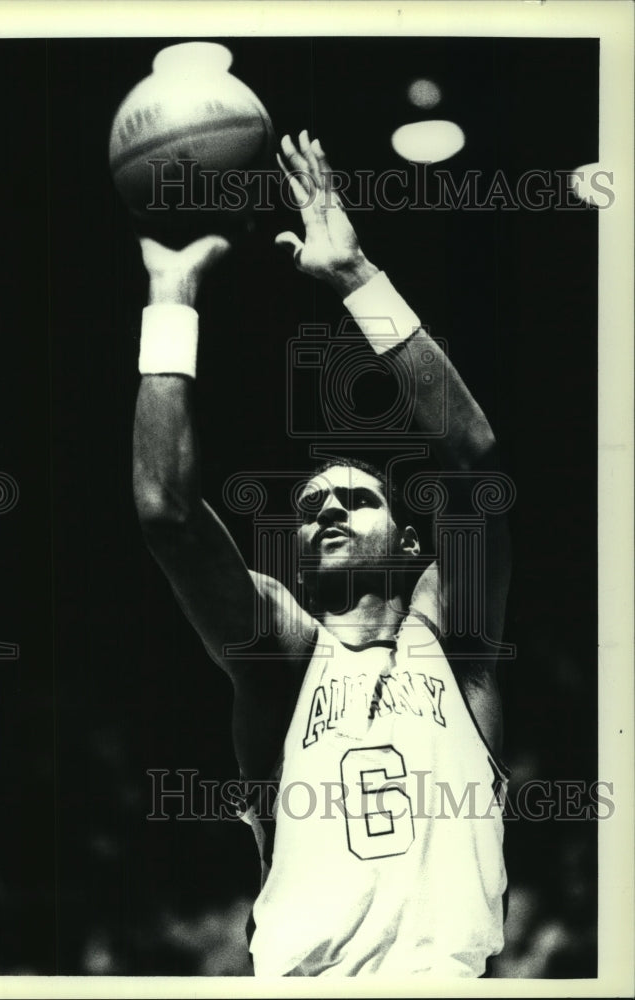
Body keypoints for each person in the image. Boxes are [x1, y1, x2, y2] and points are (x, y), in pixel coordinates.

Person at [133, 131, 511, 977]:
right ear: (296, 560)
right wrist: (171, 300)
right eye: (310, 508)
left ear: (413, 543)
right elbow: (167, 515)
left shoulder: (461, 649)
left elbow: (475, 461)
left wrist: (355, 279)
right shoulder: (284, 659)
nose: (329, 504)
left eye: (357, 496)